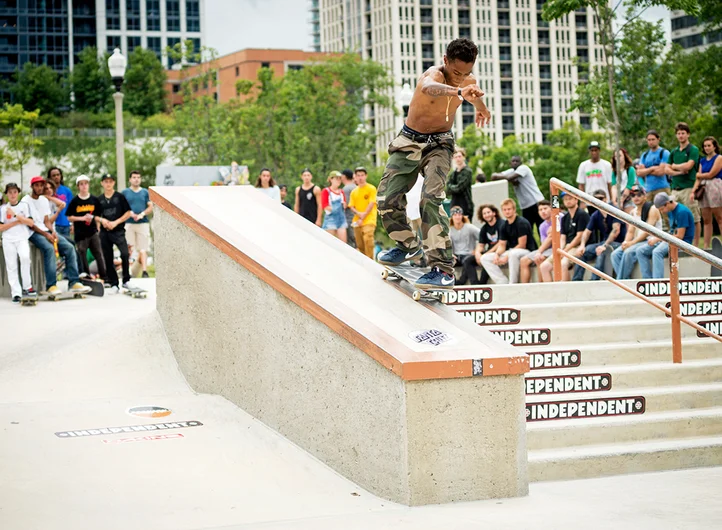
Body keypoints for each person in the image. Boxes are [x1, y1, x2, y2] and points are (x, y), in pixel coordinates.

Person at [376, 37, 490, 290]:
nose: (461, 78)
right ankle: (407, 246)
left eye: (467, 73)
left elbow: (472, 95)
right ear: (445, 61)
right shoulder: (434, 76)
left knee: (430, 198)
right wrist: (458, 92)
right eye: (456, 72)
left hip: (440, 144)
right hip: (409, 140)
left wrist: (481, 107)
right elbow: (428, 88)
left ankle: (442, 269)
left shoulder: (468, 81)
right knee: (386, 199)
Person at [22, 176, 89, 296]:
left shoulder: (43, 200)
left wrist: (52, 231)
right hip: (33, 233)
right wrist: (46, 234)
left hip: (46, 230)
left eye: (41, 185)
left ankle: (74, 282)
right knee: (49, 248)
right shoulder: (25, 201)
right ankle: (51, 285)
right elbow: (31, 224)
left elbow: (46, 221)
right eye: (36, 185)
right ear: (32, 187)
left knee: (69, 247)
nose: (39, 188)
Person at [637, 192, 695, 279]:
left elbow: (679, 236)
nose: (661, 212)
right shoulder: (670, 211)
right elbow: (671, 231)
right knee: (640, 251)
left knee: (657, 252)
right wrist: (659, 238)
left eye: (661, 209)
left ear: (667, 203)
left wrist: (659, 239)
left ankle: (657, 282)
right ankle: (647, 280)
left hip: (682, 242)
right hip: (671, 239)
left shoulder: (682, 212)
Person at [572, 190, 627, 281]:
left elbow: (616, 230)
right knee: (581, 253)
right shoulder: (595, 215)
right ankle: (577, 281)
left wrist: (604, 246)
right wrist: (582, 246)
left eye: (601, 198)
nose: (599, 201)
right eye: (596, 199)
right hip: (604, 243)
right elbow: (587, 232)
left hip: (618, 243)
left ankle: (594, 280)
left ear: (606, 199)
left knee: (601, 251)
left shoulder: (614, 210)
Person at [611, 185, 662, 280]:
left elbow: (647, 231)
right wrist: (626, 242)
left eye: (639, 195)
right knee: (615, 254)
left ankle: (621, 282)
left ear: (644, 196)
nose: (636, 197)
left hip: (651, 240)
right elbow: (630, 231)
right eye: (633, 195)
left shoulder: (652, 209)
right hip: (638, 242)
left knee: (628, 252)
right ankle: (626, 281)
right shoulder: (633, 212)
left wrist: (631, 243)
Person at [481, 198, 537, 284]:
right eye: (505, 210)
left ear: (514, 209)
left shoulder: (521, 222)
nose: (507, 212)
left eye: (509, 209)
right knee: (485, 258)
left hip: (527, 251)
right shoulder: (504, 225)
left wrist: (506, 257)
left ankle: (512, 283)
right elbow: (502, 245)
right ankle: (503, 282)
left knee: (512, 254)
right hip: (511, 251)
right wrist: (497, 254)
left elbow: (522, 244)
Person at [539, 193, 590, 282]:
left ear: (576, 200)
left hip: (577, 247)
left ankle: (564, 290)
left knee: (563, 263)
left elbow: (579, 237)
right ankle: (551, 290)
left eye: (570, 198)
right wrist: (560, 249)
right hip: (566, 246)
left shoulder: (582, 214)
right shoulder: (565, 217)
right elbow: (563, 237)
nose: (568, 201)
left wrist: (564, 251)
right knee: (544, 266)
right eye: (565, 199)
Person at [666, 122, 701, 247]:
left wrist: (674, 167)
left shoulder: (693, 149)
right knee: (675, 216)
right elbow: (666, 168)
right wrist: (678, 171)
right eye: (678, 133)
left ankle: (696, 246)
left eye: (683, 133)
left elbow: (689, 165)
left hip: (688, 188)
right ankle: (679, 244)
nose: (681, 136)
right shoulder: (674, 151)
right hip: (675, 188)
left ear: (688, 134)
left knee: (694, 217)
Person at [96, 174, 133, 293]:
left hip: (118, 231)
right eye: (106, 181)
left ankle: (126, 280)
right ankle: (114, 283)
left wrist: (116, 222)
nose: (108, 184)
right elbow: (95, 216)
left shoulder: (120, 197)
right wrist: (103, 221)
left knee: (125, 253)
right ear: (102, 183)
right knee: (108, 257)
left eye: (110, 181)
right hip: (105, 232)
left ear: (114, 183)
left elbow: (128, 213)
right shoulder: (99, 199)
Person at [0, 183, 36, 303]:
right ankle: (16, 293)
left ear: (18, 193)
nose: (12, 194)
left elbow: (30, 223)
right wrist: (16, 222)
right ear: (7, 194)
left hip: (22, 238)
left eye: (15, 192)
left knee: (25, 258)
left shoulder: (24, 206)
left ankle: (27, 287)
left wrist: (16, 215)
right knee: (11, 266)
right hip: (8, 240)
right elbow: (1, 227)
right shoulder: (3, 209)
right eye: (10, 192)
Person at [67, 175, 107, 280]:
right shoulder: (75, 201)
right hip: (80, 233)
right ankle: (86, 276)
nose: (84, 186)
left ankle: (104, 276)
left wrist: (98, 226)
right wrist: (82, 218)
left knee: (98, 254)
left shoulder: (94, 199)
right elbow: (69, 217)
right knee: (82, 254)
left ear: (88, 185)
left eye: (86, 183)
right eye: (81, 184)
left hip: (93, 232)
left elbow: (98, 215)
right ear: (78, 186)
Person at [491, 155, 545, 233]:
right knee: (527, 231)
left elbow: (509, 178)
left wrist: (510, 179)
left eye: (517, 161)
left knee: (541, 228)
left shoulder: (523, 168)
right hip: (525, 206)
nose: (515, 163)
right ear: (510, 163)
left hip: (536, 202)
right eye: (513, 161)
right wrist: (511, 179)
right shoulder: (511, 171)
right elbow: (493, 176)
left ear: (521, 163)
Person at [691, 136, 722, 249]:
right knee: (706, 218)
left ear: (714, 146)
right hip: (703, 188)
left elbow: (711, 174)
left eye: (709, 145)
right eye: (705, 146)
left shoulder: (719, 158)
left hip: (715, 186)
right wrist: (693, 191)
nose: (707, 148)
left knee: (719, 217)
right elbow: (698, 178)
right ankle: (706, 246)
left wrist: (699, 175)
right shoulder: (702, 160)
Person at [122, 170, 153, 278]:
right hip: (128, 223)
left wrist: (142, 214)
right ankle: (130, 271)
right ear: (130, 179)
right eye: (134, 177)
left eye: (138, 177)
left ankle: (144, 271)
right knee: (130, 248)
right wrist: (130, 213)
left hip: (142, 223)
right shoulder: (125, 192)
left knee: (143, 248)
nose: (136, 179)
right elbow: (121, 207)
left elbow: (150, 206)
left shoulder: (145, 192)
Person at [520, 200, 553, 283]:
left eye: (545, 208)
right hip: (547, 249)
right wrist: (539, 251)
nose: (543, 211)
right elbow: (545, 242)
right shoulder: (542, 226)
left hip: (557, 247)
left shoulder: (558, 218)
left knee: (539, 258)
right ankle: (524, 287)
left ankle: (540, 285)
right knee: (523, 260)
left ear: (551, 209)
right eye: (540, 210)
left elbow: (551, 239)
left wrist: (539, 252)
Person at [348, 166, 377, 259]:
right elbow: (351, 206)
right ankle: (365, 262)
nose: (360, 177)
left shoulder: (371, 188)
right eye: (358, 175)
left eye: (362, 175)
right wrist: (359, 215)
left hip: (369, 219)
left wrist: (363, 217)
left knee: (368, 239)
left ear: (366, 176)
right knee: (360, 245)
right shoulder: (354, 192)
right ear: (355, 177)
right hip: (357, 220)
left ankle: (371, 261)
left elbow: (372, 203)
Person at [577, 141, 612, 216]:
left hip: (604, 199)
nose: (594, 152)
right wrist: (582, 201)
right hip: (589, 200)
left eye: (596, 150)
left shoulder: (606, 165)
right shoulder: (583, 165)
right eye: (592, 150)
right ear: (589, 151)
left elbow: (609, 184)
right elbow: (581, 185)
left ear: (599, 151)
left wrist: (611, 199)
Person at [635, 130, 670, 204]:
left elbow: (661, 172)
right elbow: (639, 172)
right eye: (649, 140)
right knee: (650, 213)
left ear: (658, 139)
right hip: (648, 190)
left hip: (662, 188)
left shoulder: (664, 153)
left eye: (653, 139)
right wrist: (652, 168)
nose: (651, 142)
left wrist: (646, 170)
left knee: (664, 213)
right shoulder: (645, 155)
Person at [472, 204, 503, 285]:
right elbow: (481, 245)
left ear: (494, 213)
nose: (486, 215)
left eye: (488, 212)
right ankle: (475, 285)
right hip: (490, 252)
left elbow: (501, 243)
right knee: (468, 260)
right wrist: (477, 253)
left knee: (485, 258)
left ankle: (482, 283)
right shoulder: (484, 228)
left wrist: (486, 253)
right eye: (484, 213)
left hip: (501, 250)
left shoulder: (502, 224)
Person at [449, 205, 480, 285]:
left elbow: (482, 237)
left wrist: (477, 250)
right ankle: (453, 283)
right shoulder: (450, 230)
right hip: (456, 255)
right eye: (455, 215)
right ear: (452, 217)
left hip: (468, 254)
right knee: (446, 262)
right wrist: (450, 254)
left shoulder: (470, 227)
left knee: (467, 262)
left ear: (462, 216)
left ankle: (471, 283)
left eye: (459, 215)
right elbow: (446, 245)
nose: (457, 217)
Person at [47, 167, 73, 242]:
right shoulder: (48, 191)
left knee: (67, 246)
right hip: (54, 225)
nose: (56, 177)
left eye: (58, 175)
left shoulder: (67, 190)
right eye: (54, 175)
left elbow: (71, 209)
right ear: (50, 177)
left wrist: (72, 224)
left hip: (66, 224)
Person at [321, 171, 348, 243]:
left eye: (340, 179)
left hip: (341, 220)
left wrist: (343, 205)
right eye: (336, 179)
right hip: (330, 219)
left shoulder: (341, 192)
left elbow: (344, 205)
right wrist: (335, 209)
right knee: (329, 243)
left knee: (343, 243)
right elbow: (325, 206)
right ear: (331, 179)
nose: (338, 181)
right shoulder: (326, 191)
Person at [447, 148, 474, 217]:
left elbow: (459, 188)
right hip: (454, 204)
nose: (457, 159)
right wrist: (451, 187)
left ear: (464, 157)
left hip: (465, 204)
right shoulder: (453, 173)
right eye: (455, 157)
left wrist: (451, 187)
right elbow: (447, 188)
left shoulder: (467, 171)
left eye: (459, 156)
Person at [611, 148, 637, 213]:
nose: (618, 158)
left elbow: (629, 186)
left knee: (629, 218)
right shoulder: (614, 172)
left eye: (619, 156)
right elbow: (614, 186)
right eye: (615, 157)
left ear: (624, 156)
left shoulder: (630, 170)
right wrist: (614, 200)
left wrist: (621, 201)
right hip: (618, 196)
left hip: (629, 197)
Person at [340, 169, 357, 247]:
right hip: (357, 217)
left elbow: (345, 205)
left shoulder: (346, 188)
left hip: (349, 217)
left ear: (344, 176)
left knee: (351, 242)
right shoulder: (356, 187)